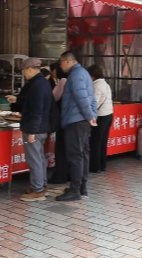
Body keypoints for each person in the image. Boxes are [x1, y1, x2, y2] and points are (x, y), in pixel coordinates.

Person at [55, 51, 97, 202]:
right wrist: (92, 116)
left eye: (61, 62)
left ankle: (74, 190)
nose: (60, 66)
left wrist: (90, 116)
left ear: (67, 61)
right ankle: (81, 188)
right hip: (82, 121)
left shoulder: (75, 75)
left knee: (75, 156)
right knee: (83, 155)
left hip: (75, 121)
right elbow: (92, 99)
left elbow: (82, 99)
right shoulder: (84, 73)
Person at [17, 58, 53, 202]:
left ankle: (38, 191)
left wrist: (32, 131)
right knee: (39, 158)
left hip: (35, 129)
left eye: (24, 71)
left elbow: (36, 110)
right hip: (42, 127)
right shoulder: (43, 82)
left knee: (34, 159)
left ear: (30, 69)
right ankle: (41, 186)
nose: (24, 74)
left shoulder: (37, 85)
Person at [87, 64, 113, 174]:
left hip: (101, 117)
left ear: (92, 76)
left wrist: (88, 114)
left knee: (96, 142)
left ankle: (95, 166)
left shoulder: (96, 86)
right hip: (109, 115)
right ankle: (102, 164)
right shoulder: (105, 84)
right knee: (102, 142)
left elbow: (95, 104)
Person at [48, 62, 69, 186]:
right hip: (69, 119)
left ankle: (60, 176)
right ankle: (67, 174)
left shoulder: (63, 81)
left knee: (61, 148)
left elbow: (54, 97)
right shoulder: (71, 79)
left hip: (63, 118)